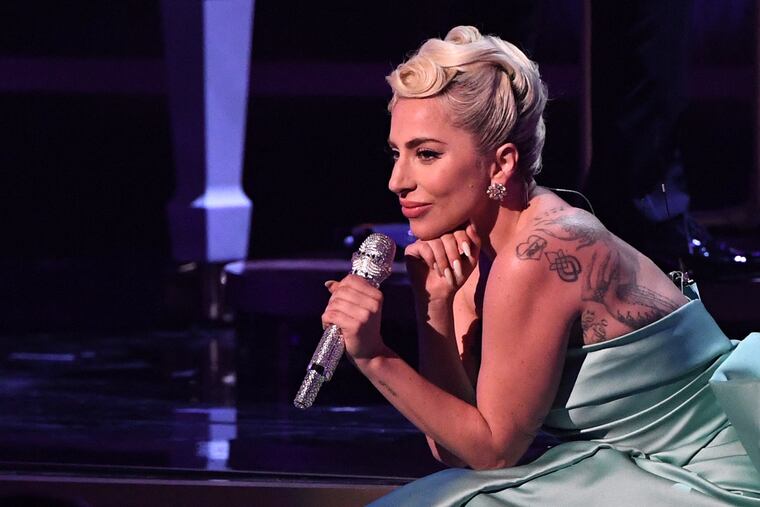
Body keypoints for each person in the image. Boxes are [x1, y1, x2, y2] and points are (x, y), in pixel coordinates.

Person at [322, 26, 760, 505]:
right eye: (396, 153)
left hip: (707, 478)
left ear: (501, 163)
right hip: (634, 463)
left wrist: (374, 356)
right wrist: (437, 308)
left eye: (426, 154)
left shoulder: (541, 252)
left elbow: (493, 451)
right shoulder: (483, 251)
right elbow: (458, 448)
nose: (397, 180)